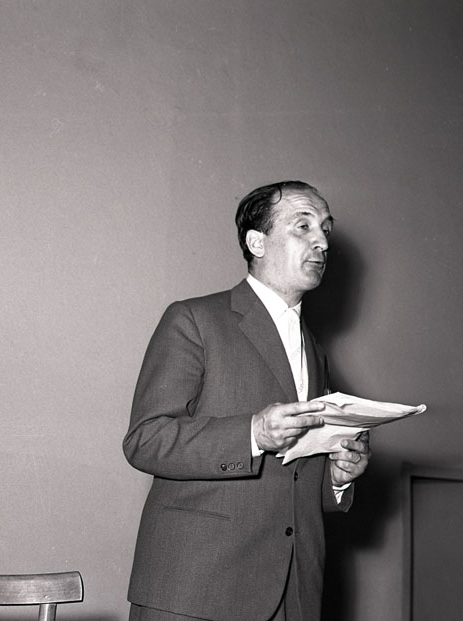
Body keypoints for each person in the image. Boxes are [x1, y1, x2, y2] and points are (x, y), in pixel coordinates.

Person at [123, 180, 371, 621]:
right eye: (303, 226)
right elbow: (145, 439)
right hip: (196, 589)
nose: (321, 241)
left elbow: (293, 478)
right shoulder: (193, 319)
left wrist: (337, 477)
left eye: (326, 230)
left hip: (292, 593)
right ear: (257, 242)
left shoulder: (315, 351)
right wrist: (253, 433)